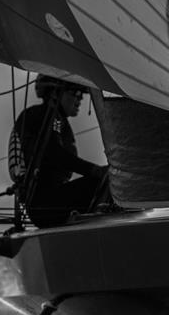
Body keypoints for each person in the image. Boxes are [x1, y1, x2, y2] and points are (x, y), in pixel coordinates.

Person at [8, 75, 108, 228]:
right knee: (108, 181)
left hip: (44, 205)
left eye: (81, 95)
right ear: (54, 93)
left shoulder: (54, 118)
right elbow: (56, 154)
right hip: (46, 205)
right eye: (75, 93)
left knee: (107, 180)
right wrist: (95, 171)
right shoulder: (48, 115)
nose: (80, 99)